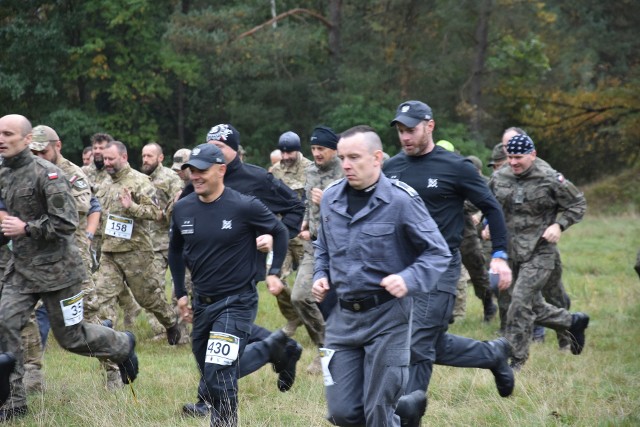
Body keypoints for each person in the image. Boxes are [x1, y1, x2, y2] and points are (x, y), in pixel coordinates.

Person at [383, 100, 515, 425]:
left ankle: (405, 417)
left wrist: (499, 255)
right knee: (426, 341)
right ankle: (493, 354)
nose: (405, 137)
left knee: (417, 344)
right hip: (401, 269)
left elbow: (492, 207)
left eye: (411, 129)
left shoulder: (455, 167)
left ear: (430, 126)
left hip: (440, 267)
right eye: (400, 131)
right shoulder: (391, 168)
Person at [0, 114, 138, 422]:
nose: (1, 139)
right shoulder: (3, 174)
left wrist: (26, 228)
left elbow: (65, 224)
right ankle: (14, 401)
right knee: (5, 323)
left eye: (8, 133)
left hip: (59, 272)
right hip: (21, 270)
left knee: (71, 338)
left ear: (26, 140)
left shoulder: (48, 175)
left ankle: (122, 344)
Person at [311, 125, 451, 426]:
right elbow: (322, 245)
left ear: (377, 158)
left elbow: (438, 252)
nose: (346, 165)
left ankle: (394, 413)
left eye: (354, 157)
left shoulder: (401, 201)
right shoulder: (331, 199)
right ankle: (405, 412)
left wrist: (408, 279)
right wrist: (320, 274)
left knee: (378, 410)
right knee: (341, 413)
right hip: (341, 318)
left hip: (387, 319)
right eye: (343, 157)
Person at [179, 124, 304, 417]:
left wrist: (273, 236)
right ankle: (281, 348)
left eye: (221, 147)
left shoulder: (258, 178)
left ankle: (208, 399)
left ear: (235, 150)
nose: (214, 153)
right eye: (210, 146)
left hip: (242, 270)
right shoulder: (200, 177)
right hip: (207, 272)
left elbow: (295, 209)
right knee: (220, 332)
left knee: (223, 337)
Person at [488, 133, 589, 369]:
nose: (513, 162)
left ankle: (515, 361)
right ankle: (572, 321)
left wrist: (559, 225)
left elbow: (578, 204)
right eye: (510, 157)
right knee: (532, 306)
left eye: (518, 157)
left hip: (540, 251)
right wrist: (483, 222)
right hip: (510, 252)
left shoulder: (550, 178)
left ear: (532, 155)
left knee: (519, 303)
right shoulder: (500, 176)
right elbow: (486, 201)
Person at [92, 140, 183, 388]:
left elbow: (158, 214)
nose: (107, 163)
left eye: (111, 159)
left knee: (148, 298)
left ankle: (171, 323)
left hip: (136, 252)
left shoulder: (140, 181)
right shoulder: (102, 184)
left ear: (123, 157)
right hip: (109, 252)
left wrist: (131, 207)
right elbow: (98, 217)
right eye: (105, 159)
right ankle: (112, 366)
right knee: (101, 302)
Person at [292, 125, 343, 374]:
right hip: (315, 244)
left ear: (334, 149)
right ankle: (325, 348)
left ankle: (340, 352)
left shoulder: (347, 170)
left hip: (342, 247)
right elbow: (306, 202)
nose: (316, 153)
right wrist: (305, 221)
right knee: (300, 296)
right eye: (313, 149)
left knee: (339, 303)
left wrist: (328, 202)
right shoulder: (311, 169)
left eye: (321, 148)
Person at [270, 131, 313, 336]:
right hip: (282, 234)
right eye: (283, 152)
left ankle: (318, 324)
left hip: (305, 234)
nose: (286, 157)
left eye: (290, 153)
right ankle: (293, 318)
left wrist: (310, 228)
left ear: (298, 151)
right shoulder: (275, 171)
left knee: (309, 286)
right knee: (275, 277)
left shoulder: (311, 169)